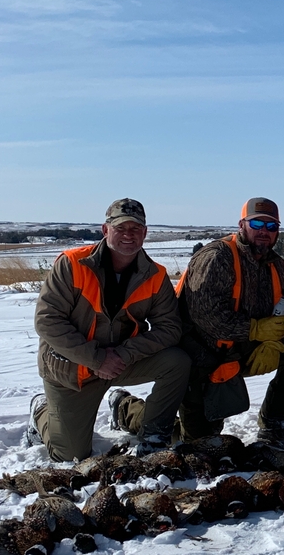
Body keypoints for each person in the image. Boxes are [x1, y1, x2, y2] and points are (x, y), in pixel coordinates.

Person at [133, 197, 284, 444]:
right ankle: (128, 411)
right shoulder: (216, 257)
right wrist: (253, 330)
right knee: (198, 440)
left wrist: (276, 343)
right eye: (257, 223)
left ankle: (275, 422)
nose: (264, 231)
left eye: (272, 226)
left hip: (246, 350)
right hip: (202, 355)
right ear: (242, 224)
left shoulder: (279, 266)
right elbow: (205, 315)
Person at [27, 198, 190, 461]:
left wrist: (125, 354)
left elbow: (170, 328)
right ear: (105, 230)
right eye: (121, 228)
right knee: (70, 455)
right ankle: (40, 413)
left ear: (145, 233)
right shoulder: (72, 264)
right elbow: (47, 321)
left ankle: (141, 423)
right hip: (72, 369)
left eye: (135, 229)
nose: (128, 235)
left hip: (121, 362)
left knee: (177, 362)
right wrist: (97, 359)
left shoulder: (156, 275)